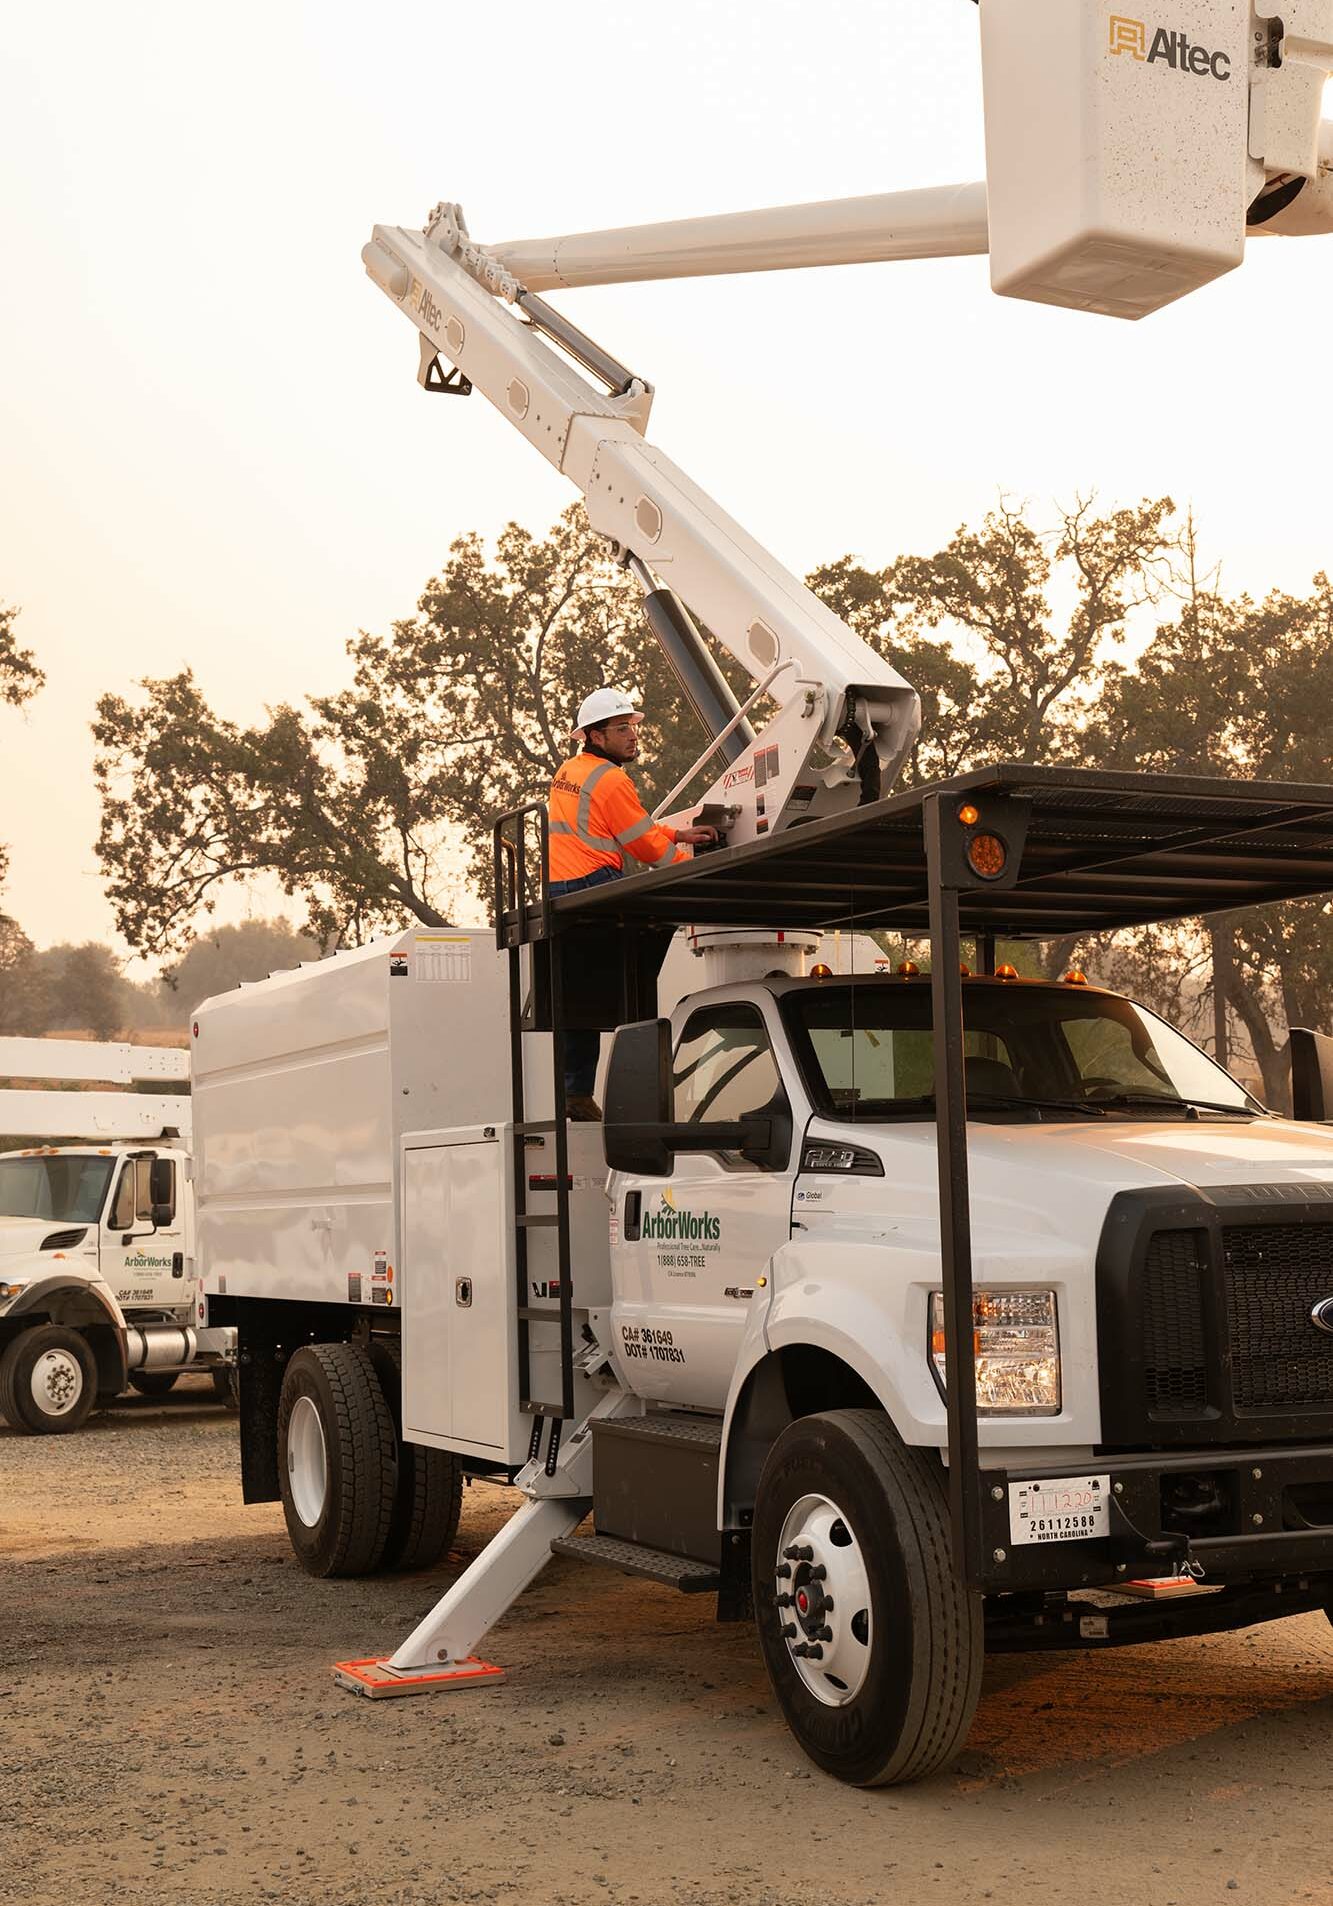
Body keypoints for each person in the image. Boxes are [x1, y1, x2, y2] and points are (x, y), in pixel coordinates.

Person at [548, 688, 717, 1119]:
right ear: (595, 736)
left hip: (561, 890)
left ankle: (576, 1091)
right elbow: (642, 844)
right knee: (643, 958)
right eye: (622, 729)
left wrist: (678, 834)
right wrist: (689, 865)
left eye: (633, 727)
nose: (632, 736)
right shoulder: (612, 779)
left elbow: (632, 824)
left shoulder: (571, 770)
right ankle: (640, 1084)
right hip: (595, 883)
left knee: (578, 995)